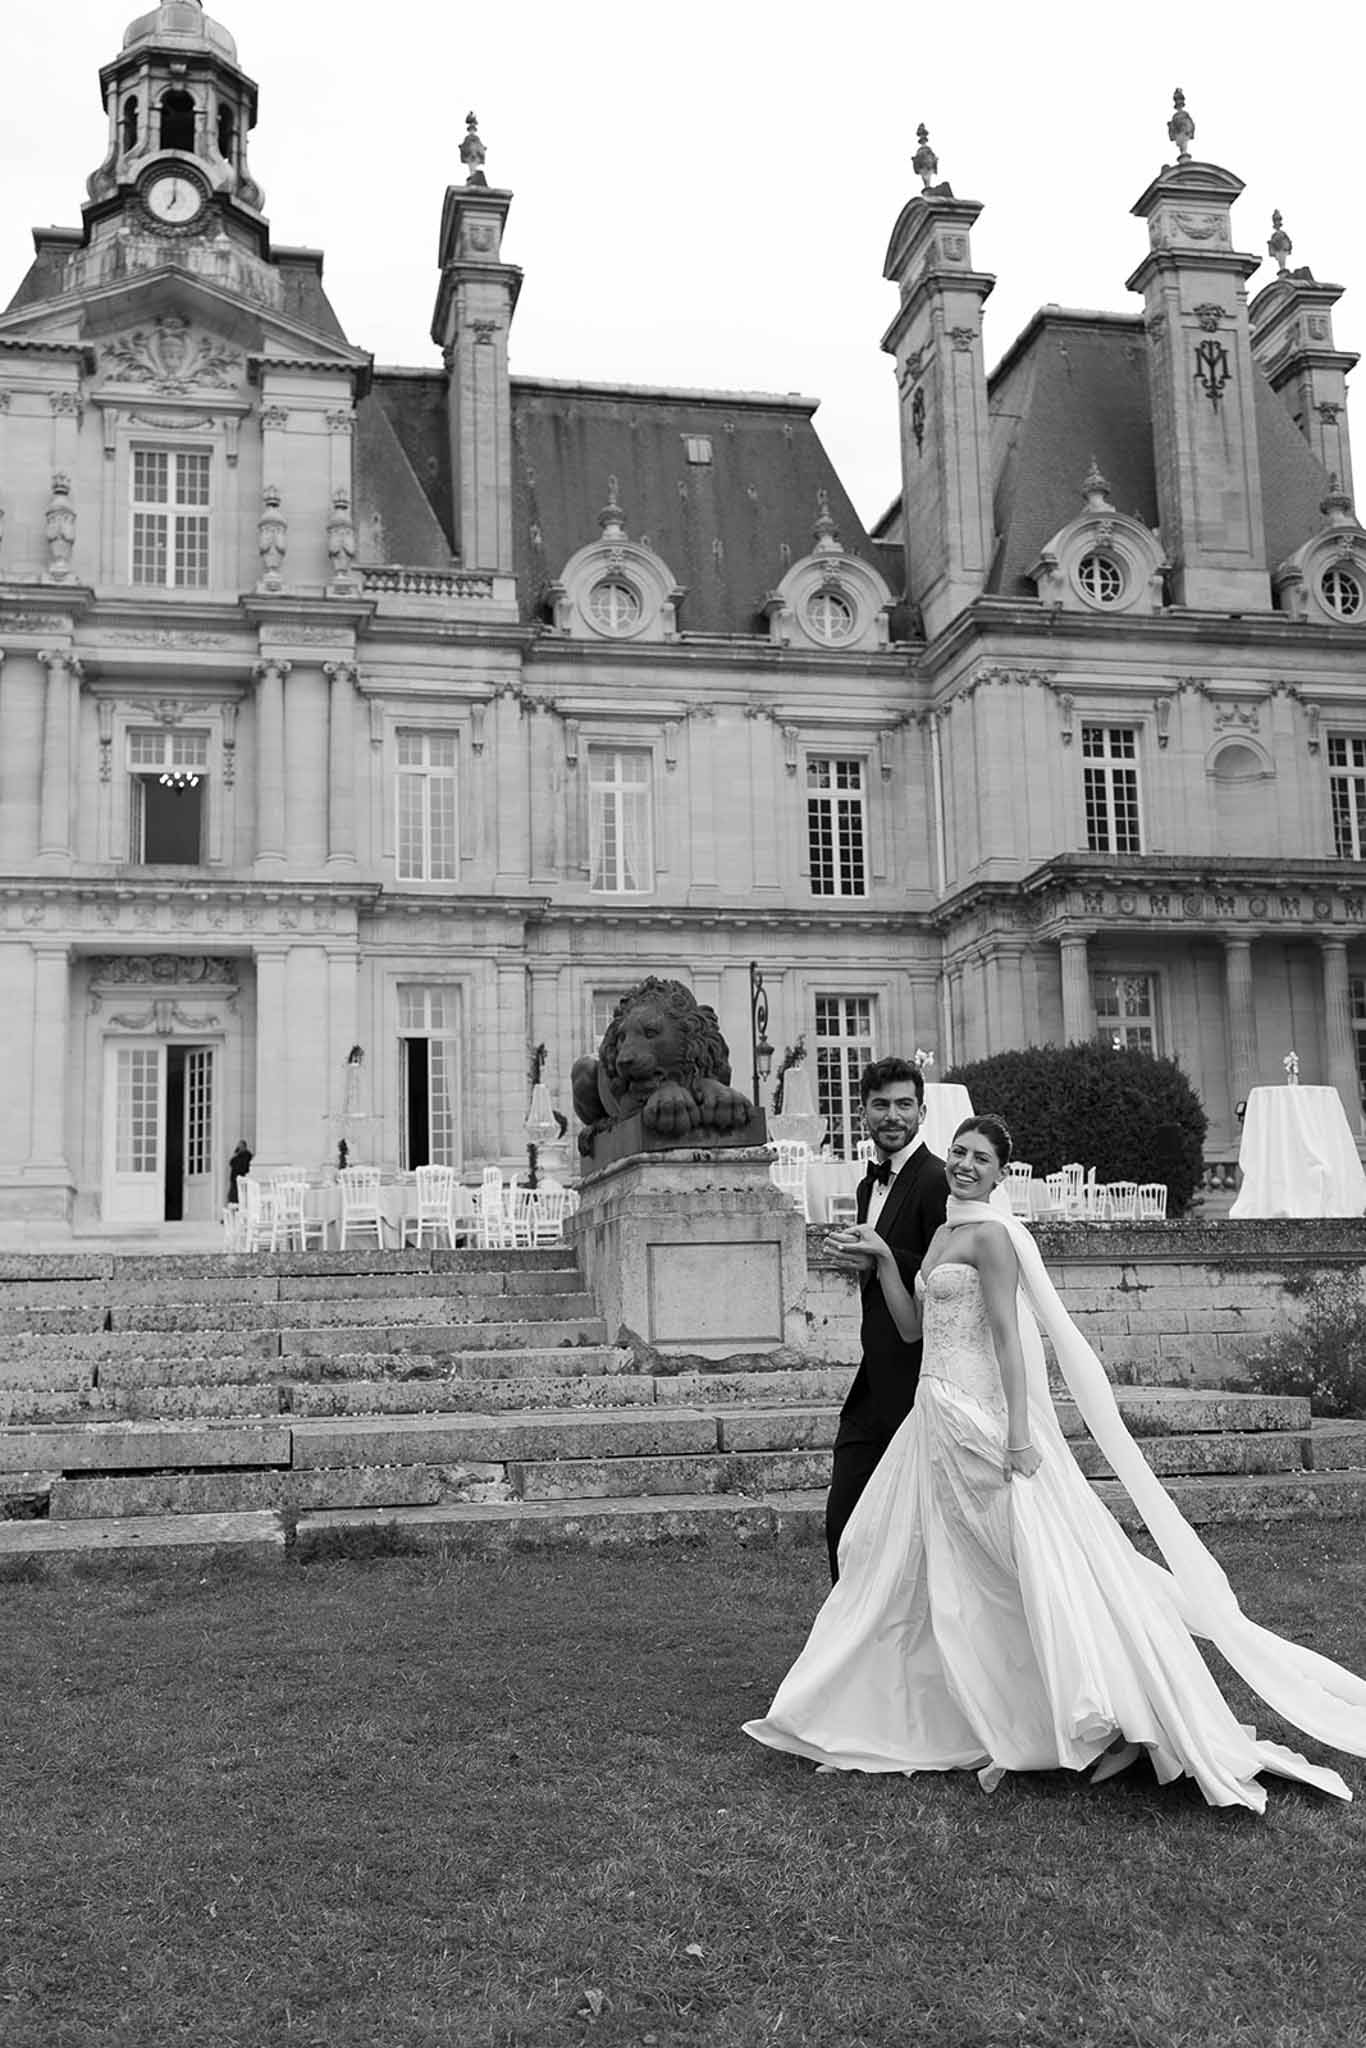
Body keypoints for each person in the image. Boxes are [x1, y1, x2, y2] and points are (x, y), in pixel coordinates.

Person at [745, 1115, 1366, 1811]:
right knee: (913, 1561)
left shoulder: (995, 1237)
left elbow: (1012, 1343)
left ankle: (1107, 1712)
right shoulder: (946, 1234)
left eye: (981, 1158)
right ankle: (932, 1705)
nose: (965, 1164)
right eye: (959, 1152)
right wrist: (888, 1261)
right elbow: (914, 1330)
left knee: (1023, 1562)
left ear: (1002, 1174)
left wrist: (1016, 1435)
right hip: (932, 1418)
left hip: (978, 1417)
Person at [823, 1058, 947, 1581]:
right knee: (844, 1525)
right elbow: (883, 1264)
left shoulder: (938, 1179)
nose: (892, 1116)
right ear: (862, 1113)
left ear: (922, 1111)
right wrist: (865, 1261)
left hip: (920, 1383)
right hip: (874, 1380)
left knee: (912, 1536)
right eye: (880, 1105)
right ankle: (849, 1652)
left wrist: (883, 1256)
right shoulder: (865, 1187)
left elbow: (949, 1277)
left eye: (903, 1105)